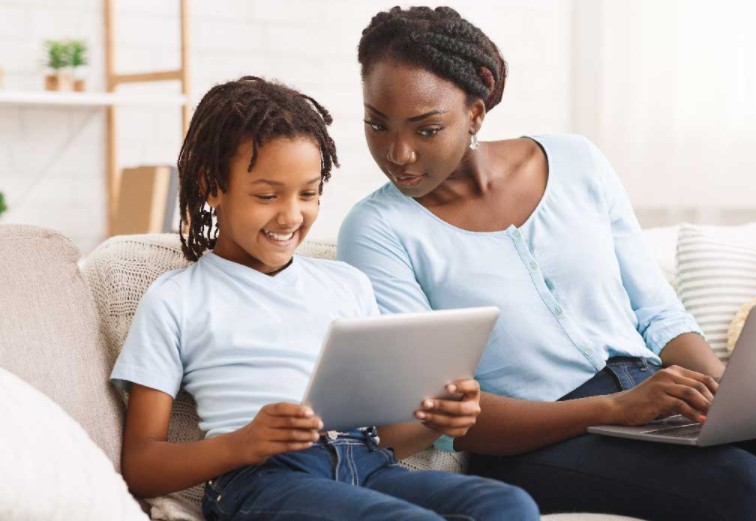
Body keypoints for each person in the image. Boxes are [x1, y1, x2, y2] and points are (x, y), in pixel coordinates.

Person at [337, 7, 756, 520]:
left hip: (651, 395)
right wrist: (617, 409)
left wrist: (729, 396)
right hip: (535, 440)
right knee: (745, 488)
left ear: (475, 112)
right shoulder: (378, 230)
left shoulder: (576, 162)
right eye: (377, 125)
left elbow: (657, 311)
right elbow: (446, 411)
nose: (398, 153)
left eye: (426, 129)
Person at [110, 76, 539, 521]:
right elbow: (141, 465)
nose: (291, 215)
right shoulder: (176, 298)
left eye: (309, 193)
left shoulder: (346, 285)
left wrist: (434, 420)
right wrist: (242, 443)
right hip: (265, 479)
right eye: (267, 195)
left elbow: (387, 437)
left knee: (508, 504)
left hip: (367, 466)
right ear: (211, 183)